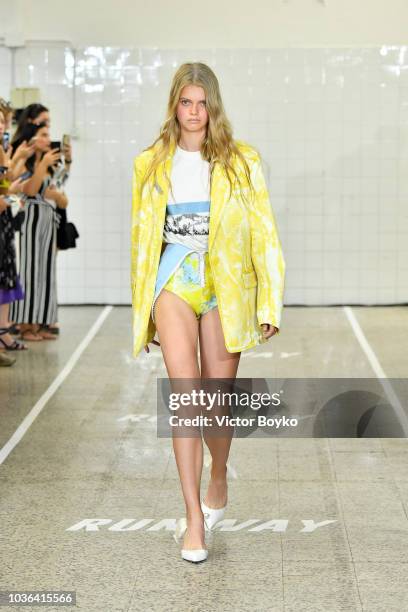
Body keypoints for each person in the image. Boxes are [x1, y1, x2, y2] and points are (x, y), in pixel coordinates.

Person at [131, 62, 286, 563]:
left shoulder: (242, 161)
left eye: (202, 103)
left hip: (226, 287)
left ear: (212, 107)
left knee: (216, 402)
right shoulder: (150, 164)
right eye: (185, 102)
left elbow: (264, 233)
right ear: (174, 105)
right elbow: (141, 244)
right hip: (175, 282)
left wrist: (269, 300)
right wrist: (146, 312)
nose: (194, 112)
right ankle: (194, 519)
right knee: (186, 397)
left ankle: (218, 473)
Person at [9, 122, 65, 341]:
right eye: (43, 134)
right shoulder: (25, 162)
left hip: (46, 220)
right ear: (32, 138)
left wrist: (64, 161)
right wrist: (43, 164)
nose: (47, 138)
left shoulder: (47, 163)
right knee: (30, 272)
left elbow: (57, 187)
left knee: (45, 273)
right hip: (30, 219)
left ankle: (41, 321)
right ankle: (25, 324)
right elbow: (31, 190)